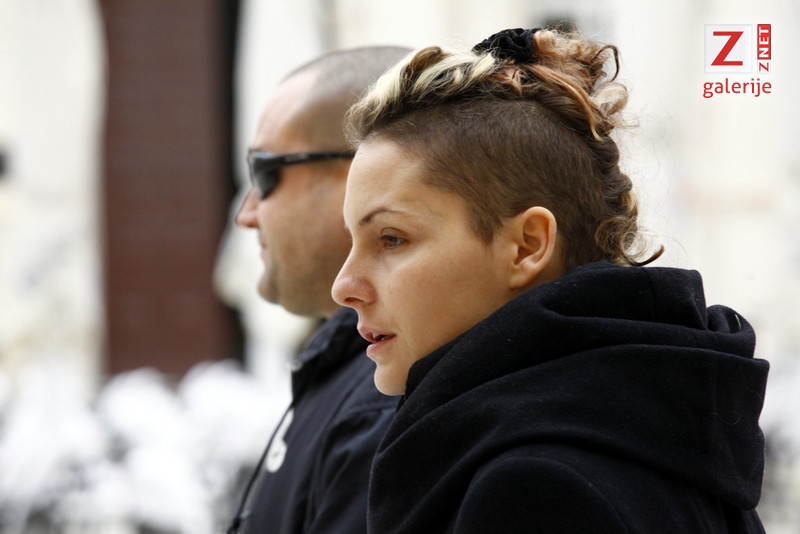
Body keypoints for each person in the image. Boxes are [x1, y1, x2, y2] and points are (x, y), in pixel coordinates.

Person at [331, 28, 770, 533]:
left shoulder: (533, 488)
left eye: (391, 239)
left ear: (527, 246)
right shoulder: (655, 433)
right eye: (353, 242)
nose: (345, 286)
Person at [227, 45, 412, 534]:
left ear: (362, 174)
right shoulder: (359, 374)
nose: (246, 213)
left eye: (265, 172)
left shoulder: (386, 399)